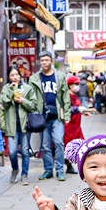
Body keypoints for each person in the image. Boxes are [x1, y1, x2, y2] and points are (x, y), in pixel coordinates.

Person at [29, 52, 71, 181]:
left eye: (46, 60)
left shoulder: (59, 77)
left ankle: (59, 170)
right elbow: (31, 97)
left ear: (51, 61)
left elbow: (65, 96)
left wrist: (67, 114)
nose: (44, 63)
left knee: (58, 142)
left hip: (57, 115)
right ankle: (48, 170)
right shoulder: (35, 78)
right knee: (45, 145)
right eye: (42, 60)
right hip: (42, 117)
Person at [0, 68, 38, 185]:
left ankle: (24, 175)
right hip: (11, 125)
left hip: (24, 125)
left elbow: (33, 105)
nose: (15, 77)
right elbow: (2, 101)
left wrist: (23, 101)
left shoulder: (27, 88)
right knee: (12, 151)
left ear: (20, 76)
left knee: (25, 151)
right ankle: (15, 169)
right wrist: (11, 92)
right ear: (9, 77)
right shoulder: (6, 88)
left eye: (17, 74)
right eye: (12, 75)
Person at [64, 75, 88, 173]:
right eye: (76, 84)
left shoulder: (75, 95)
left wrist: (82, 111)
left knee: (80, 144)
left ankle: (73, 164)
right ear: (70, 85)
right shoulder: (67, 96)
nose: (78, 86)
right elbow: (67, 109)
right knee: (70, 145)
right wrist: (78, 109)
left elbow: (77, 108)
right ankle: (69, 164)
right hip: (69, 125)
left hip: (76, 125)